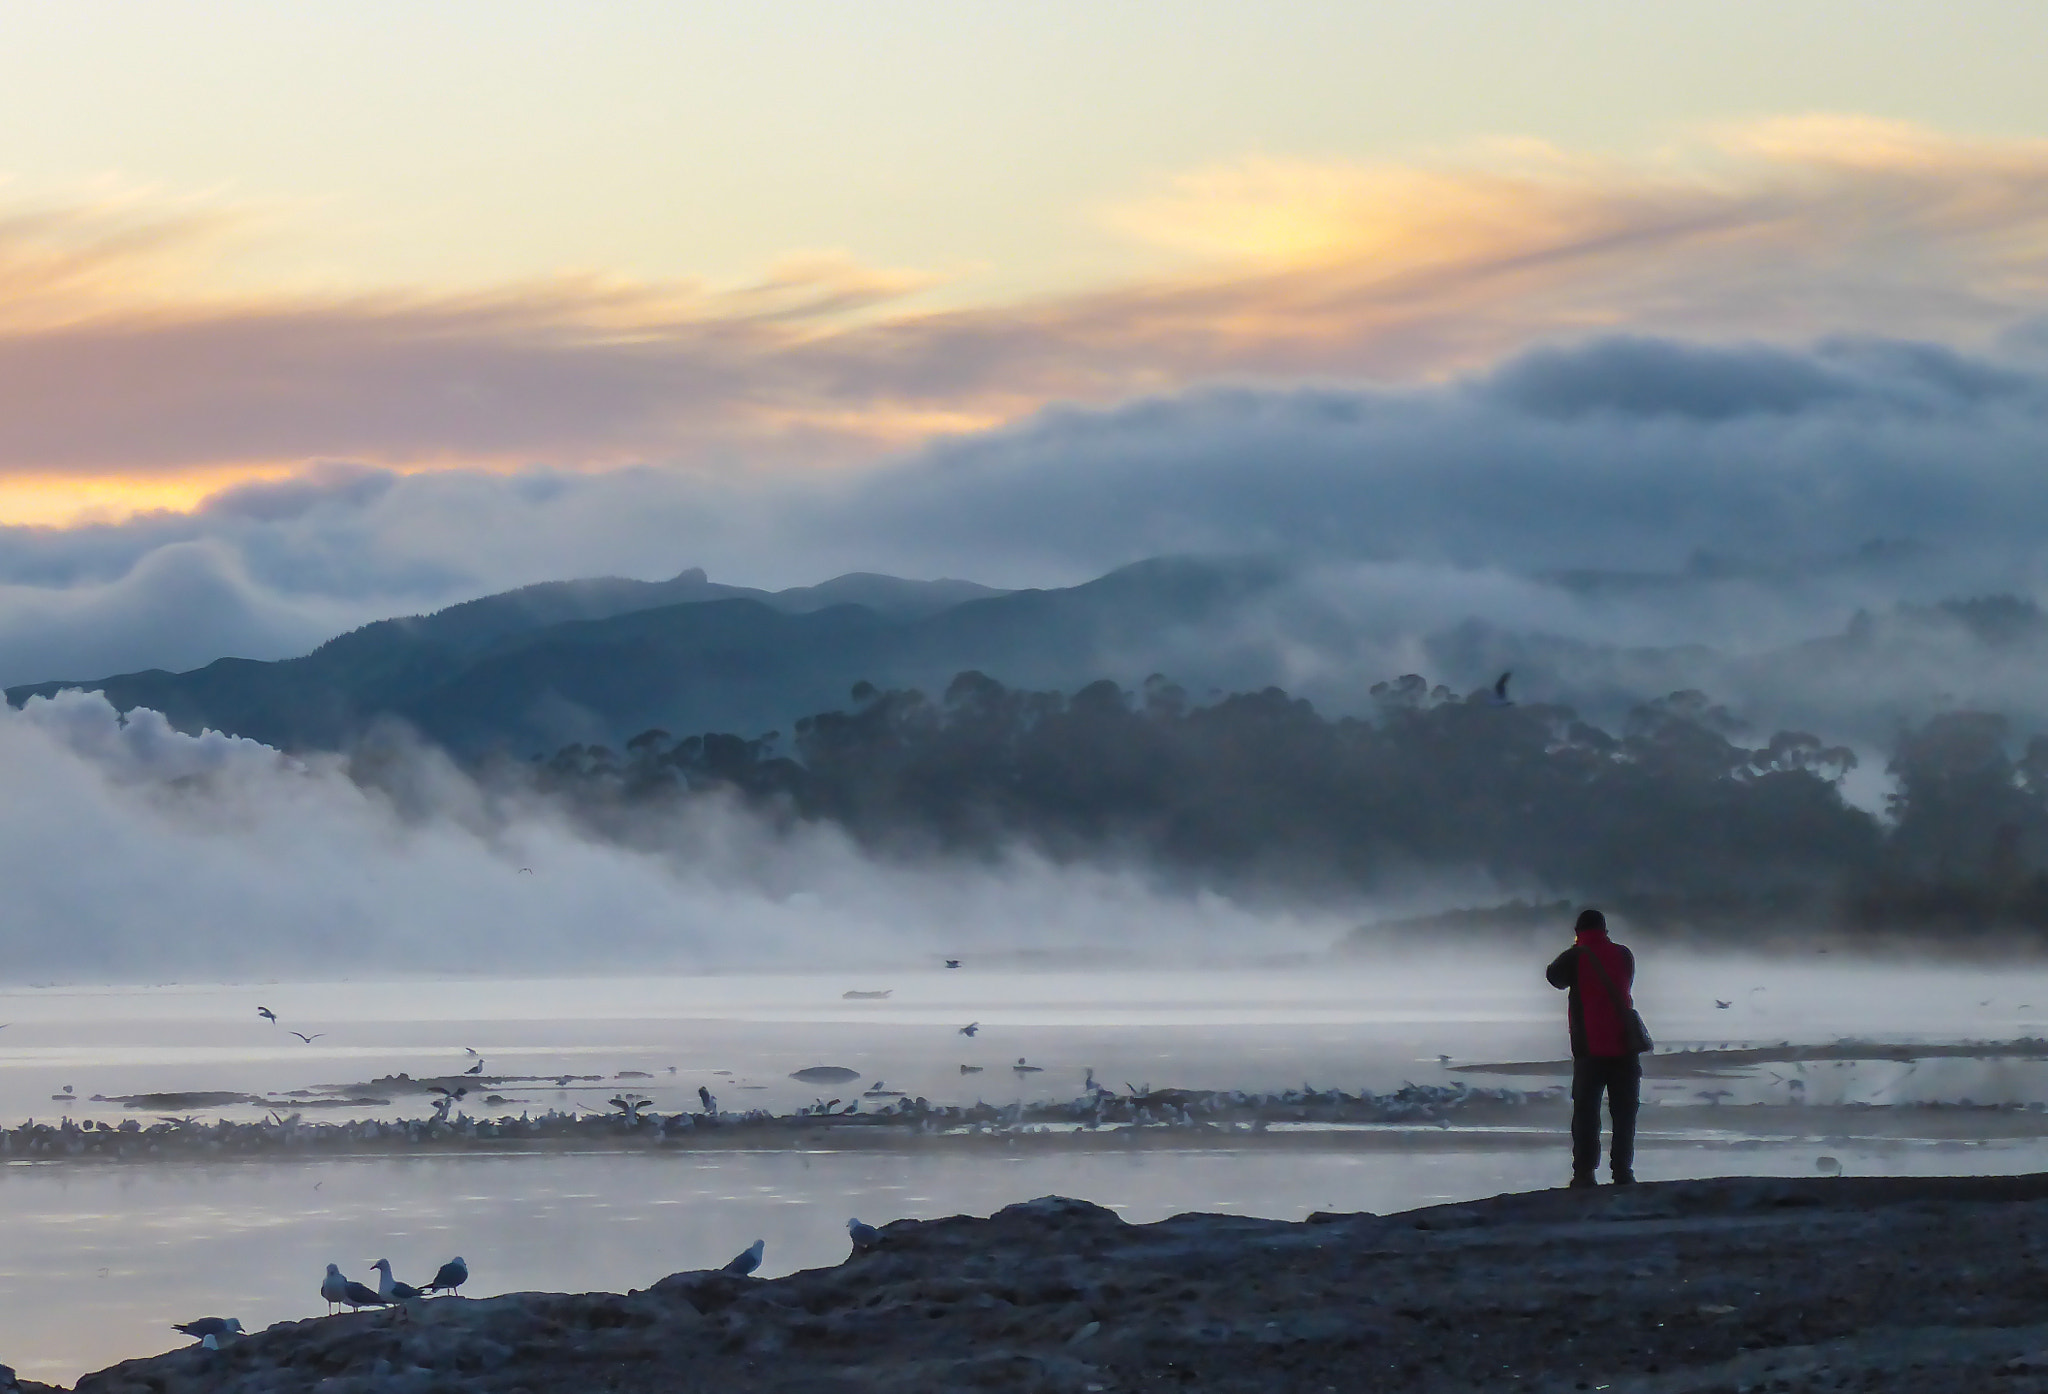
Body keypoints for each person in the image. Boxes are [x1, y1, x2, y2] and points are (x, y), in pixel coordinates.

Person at [1545, 908, 1639, 1187]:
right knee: (1624, 1115)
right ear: (1605, 930)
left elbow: (1554, 978)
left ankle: (1585, 1174)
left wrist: (1577, 948)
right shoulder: (1624, 955)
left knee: (1587, 1114)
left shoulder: (1575, 957)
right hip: (1625, 1047)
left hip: (1590, 1051)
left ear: (1577, 932)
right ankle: (1623, 1172)